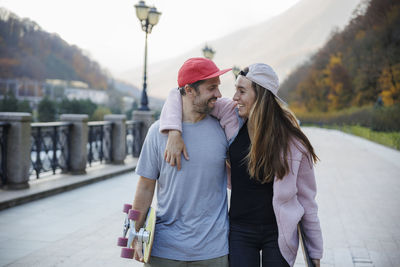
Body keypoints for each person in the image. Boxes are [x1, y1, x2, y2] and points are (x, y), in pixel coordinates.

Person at [159, 63, 323, 267]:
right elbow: (180, 94)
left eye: (242, 91)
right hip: (240, 231)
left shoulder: (293, 143)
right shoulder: (231, 115)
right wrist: (174, 131)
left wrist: (314, 250)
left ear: (261, 96)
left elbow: (307, 200)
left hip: (279, 232)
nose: (234, 97)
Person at [131, 57, 232, 267]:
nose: (219, 95)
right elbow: (145, 187)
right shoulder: (157, 133)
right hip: (163, 249)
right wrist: (135, 232)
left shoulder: (223, 130)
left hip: (213, 251)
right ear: (189, 90)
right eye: (211, 88)